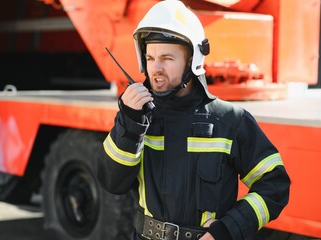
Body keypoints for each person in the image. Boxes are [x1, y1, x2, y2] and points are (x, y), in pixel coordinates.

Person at [97, 0, 290, 239]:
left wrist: (227, 230)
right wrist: (130, 124)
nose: (156, 68)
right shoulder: (137, 119)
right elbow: (111, 183)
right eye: (150, 58)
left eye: (167, 58)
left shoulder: (230, 121)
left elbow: (275, 186)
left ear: (192, 61)